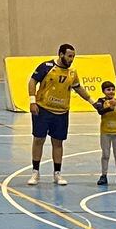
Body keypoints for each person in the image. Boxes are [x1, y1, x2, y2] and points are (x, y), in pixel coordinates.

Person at [28, 43, 94, 187]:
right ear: (61, 54)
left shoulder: (72, 72)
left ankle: (57, 173)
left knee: (58, 142)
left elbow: (78, 88)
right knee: (38, 139)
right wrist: (32, 101)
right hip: (43, 109)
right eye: (69, 56)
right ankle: (35, 172)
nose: (71, 59)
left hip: (62, 112)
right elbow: (32, 81)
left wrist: (92, 102)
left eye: (73, 57)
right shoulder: (46, 67)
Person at [94, 81, 116, 186]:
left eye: (112, 89)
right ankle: (103, 175)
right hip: (106, 132)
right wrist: (110, 107)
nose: (111, 92)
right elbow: (100, 111)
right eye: (108, 90)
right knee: (105, 155)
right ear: (103, 91)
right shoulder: (101, 101)